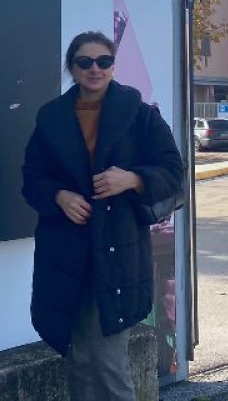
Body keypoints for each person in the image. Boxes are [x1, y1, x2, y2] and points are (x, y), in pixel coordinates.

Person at [21, 30, 183, 400]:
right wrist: (59, 196)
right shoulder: (51, 117)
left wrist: (133, 179)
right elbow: (32, 178)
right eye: (85, 62)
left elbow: (173, 170)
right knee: (78, 357)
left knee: (107, 360)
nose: (95, 69)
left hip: (117, 249)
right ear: (72, 68)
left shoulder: (139, 114)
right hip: (65, 253)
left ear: (112, 66)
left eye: (103, 61)